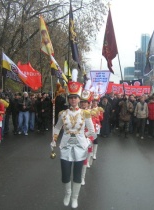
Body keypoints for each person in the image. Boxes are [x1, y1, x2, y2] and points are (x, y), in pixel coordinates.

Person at [50, 69, 95, 208]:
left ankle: (75, 197)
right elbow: (57, 127)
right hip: (65, 146)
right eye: (71, 97)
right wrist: (54, 139)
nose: (74, 100)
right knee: (65, 173)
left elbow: (92, 131)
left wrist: (86, 140)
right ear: (69, 99)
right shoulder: (63, 114)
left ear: (79, 99)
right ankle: (67, 194)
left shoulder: (85, 113)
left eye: (76, 98)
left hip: (80, 147)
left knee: (76, 174)